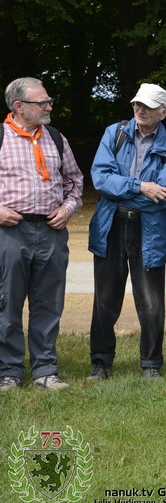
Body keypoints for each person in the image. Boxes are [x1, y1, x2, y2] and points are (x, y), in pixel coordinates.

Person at [87, 83, 166, 381]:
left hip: (150, 228)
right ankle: (100, 363)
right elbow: (100, 179)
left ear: (163, 112)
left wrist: (121, 189)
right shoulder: (114, 133)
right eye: (137, 104)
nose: (140, 110)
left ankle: (151, 364)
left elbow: (163, 195)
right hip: (110, 225)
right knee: (105, 299)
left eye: (149, 106)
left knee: (151, 300)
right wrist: (140, 186)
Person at [0, 77, 83, 392]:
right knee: (5, 303)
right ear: (19, 107)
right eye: (42, 102)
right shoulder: (1, 137)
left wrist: (68, 209)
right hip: (9, 233)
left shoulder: (56, 138)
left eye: (49, 101)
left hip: (50, 232)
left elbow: (75, 180)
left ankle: (45, 371)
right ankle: (7, 372)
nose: (49, 106)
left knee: (48, 303)